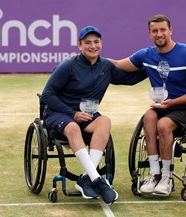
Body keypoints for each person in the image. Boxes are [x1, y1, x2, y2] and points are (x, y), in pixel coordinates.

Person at [41, 25, 147, 204]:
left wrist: (150, 69)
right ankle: (97, 180)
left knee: (104, 121)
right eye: (88, 43)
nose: (93, 46)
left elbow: (129, 79)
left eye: (96, 42)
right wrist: (72, 113)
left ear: (101, 44)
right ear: (79, 45)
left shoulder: (106, 66)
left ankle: (85, 179)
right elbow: (47, 95)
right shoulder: (68, 65)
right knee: (73, 127)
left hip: (87, 114)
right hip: (59, 112)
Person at [108, 14, 186, 195]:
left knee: (163, 125)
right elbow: (117, 65)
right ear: (149, 34)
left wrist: (174, 102)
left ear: (171, 31)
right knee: (149, 116)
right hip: (163, 107)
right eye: (155, 31)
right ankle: (153, 174)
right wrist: (89, 58)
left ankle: (166, 177)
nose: (159, 34)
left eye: (163, 30)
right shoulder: (145, 55)